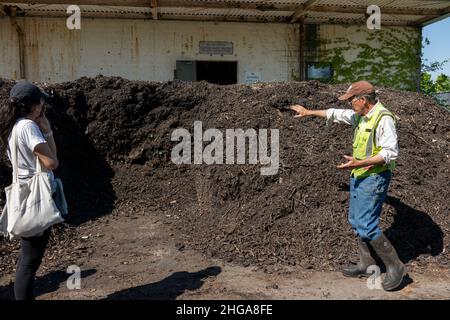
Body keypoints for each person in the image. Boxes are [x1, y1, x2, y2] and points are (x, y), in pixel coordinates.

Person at [290, 81, 406, 291]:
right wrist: (308, 112)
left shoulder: (383, 119)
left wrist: (357, 163)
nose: (350, 104)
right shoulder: (360, 115)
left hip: (374, 177)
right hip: (359, 174)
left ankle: (395, 266)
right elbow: (335, 114)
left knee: (367, 224)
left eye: (352, 100)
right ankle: (367, 264)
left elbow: (390, 153)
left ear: (363, 100)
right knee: (356, 220)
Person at [0, 81, 59, 300]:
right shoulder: (27, 127)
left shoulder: (14, 127)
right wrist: (44, 130)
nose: (43, 104)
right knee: (29, 262)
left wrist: (48, 130)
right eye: (40, 100)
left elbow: (53, 159)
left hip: (24, 194)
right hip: (35, 197)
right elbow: (52, 163)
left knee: (29, 260)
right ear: (34, 105)